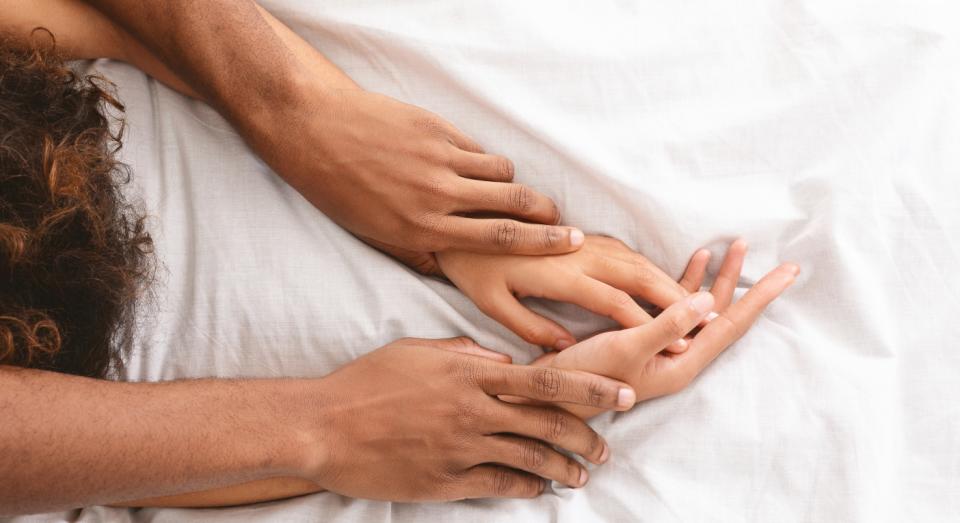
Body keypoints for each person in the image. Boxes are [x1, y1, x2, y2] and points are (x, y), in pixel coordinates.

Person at [0, 0, 798, 514]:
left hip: (222, 106)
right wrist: (342, 429)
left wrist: (309, 121)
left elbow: (93, 21)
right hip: (193, 387)